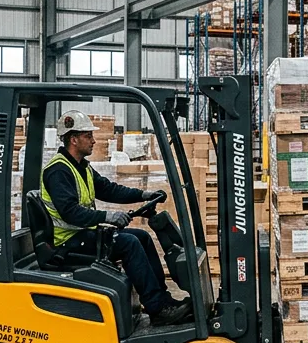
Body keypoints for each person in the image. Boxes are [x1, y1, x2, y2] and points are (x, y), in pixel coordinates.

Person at [41, 111, 194, 326]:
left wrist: (143, 195)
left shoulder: (81, 167)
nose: (94, 140)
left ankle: (162, 301)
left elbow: (109, 189)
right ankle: (157, 309)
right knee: (128, 243)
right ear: (73, 139)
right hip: (67, 242)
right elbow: (70, 213)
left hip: (83, 234)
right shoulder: (59, 170)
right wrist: (108, 216)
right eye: (88, 136)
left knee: (142, 236)